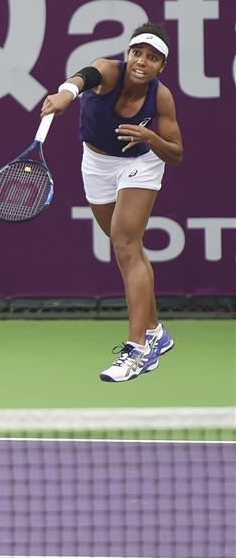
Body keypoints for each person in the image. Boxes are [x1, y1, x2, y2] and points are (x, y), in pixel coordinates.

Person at [40, 23, 183, 382]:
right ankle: (155, 332)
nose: (142, 62)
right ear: (129, 53)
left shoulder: (161, 98)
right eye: (138, 53)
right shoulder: (108, 70)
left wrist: (150, 137)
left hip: (141, 162)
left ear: (161, 66)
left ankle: (137, 350)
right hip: (97, 162)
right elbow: (82, 77)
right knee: (127, 247)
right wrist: (65, 96)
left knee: (125, 246)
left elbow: (176, 154)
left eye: (152, 58)